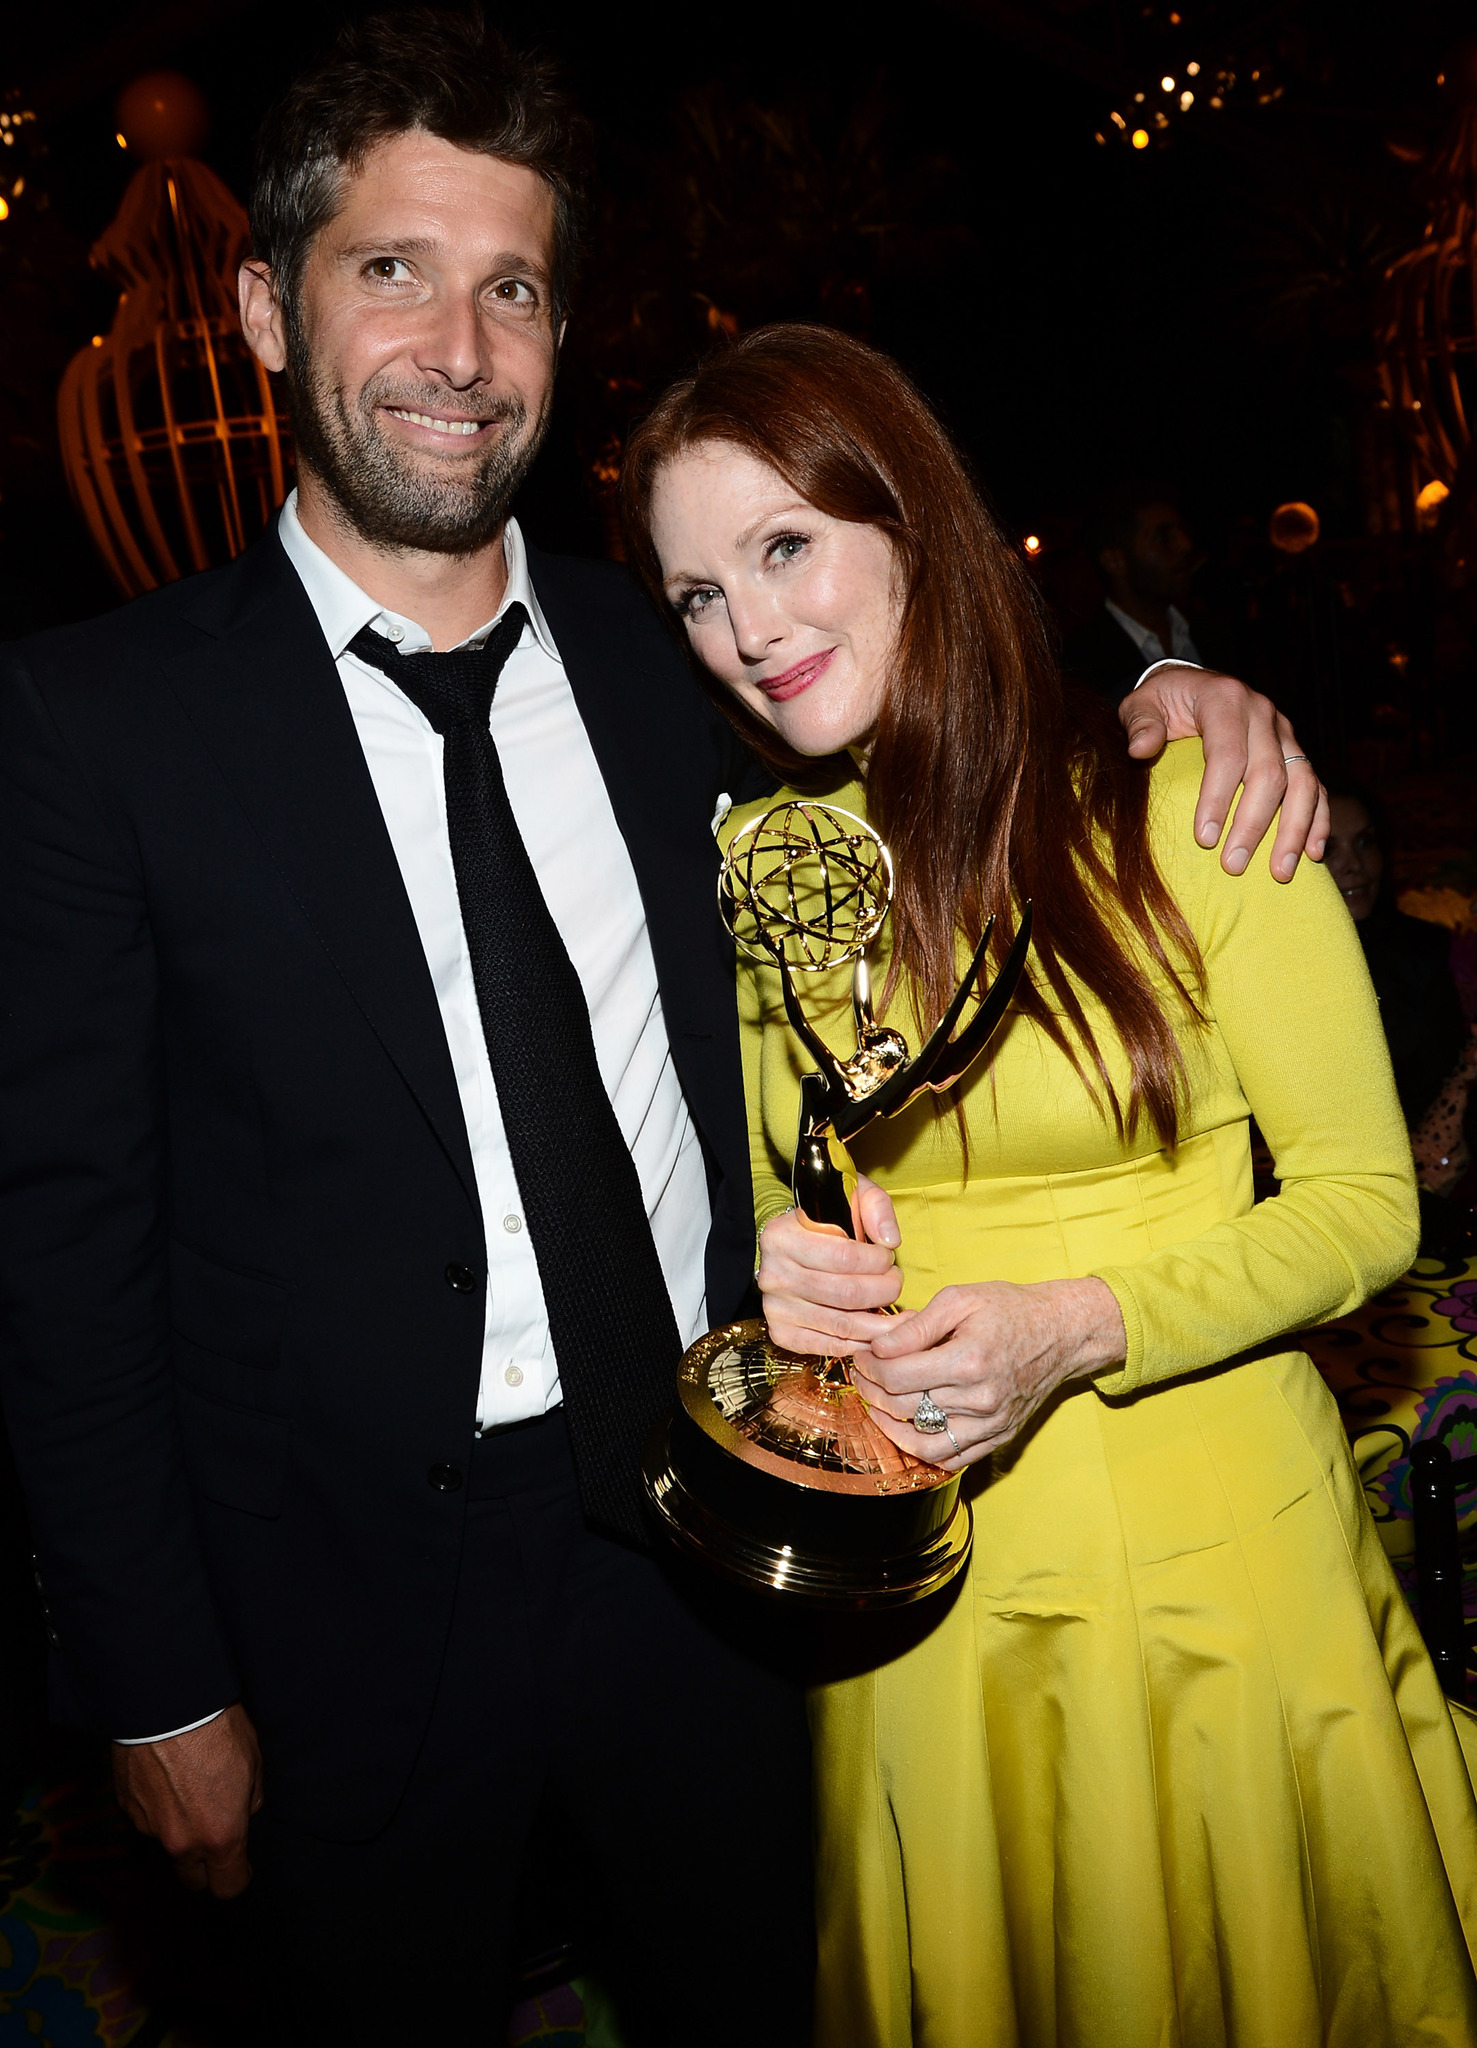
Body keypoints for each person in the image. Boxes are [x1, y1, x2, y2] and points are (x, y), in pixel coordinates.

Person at [0, 12, 1320, 2042]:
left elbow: (931, 712)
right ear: (267, 309)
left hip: (719, 1535)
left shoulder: (675, 653)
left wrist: (1171, 704)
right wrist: (156, 1677)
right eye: (392, 270)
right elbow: (66, 1246)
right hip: (341, 1603)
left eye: (511, 282)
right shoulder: (98, 726)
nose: (460, 341)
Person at [622, 323, 1477, 2047]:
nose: (748, 627)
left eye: (783, 546)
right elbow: (811, 1185)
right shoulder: (781, 870)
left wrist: (1075, 1326)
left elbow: (1362, 1204)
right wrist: (794, 1280)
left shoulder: (1188, 801)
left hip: (1218, 1562)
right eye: (696, 592)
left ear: (913, 529)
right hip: (933, 1580)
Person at [1325, 777, 1476, 1196]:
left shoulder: (1423, 951)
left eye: (1364, 842)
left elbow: (1445, 1093)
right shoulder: (1267, 970)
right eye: (1326, 848)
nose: (1354, 865)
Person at [1064, 479, 1221, 705]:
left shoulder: (1216, 633)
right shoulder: (1078, 665)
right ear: (1115, 561)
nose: (1185, 545)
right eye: (1163, 536)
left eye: (1181, 531)